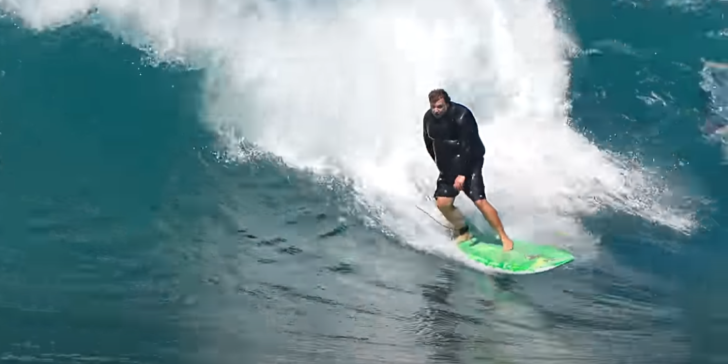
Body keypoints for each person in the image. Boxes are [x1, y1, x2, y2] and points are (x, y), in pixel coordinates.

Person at [422, 88, 514, 251]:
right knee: (443, 203)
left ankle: (504, 237)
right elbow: (429, 142)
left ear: (447, 103)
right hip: (448, 165)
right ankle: (463, 231)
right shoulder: (428, 118)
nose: (436, 110)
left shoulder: (462, 115)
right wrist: (438, 162)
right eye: (433, 107)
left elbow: (467, 147)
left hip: (470, 162)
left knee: (479, 200)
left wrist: (462, 174)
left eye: (440, 106)